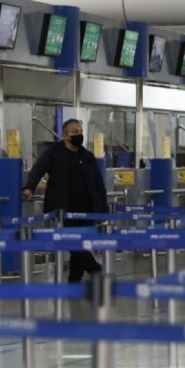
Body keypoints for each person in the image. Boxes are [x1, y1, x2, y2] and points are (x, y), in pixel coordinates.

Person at [22, 118, 108, 282]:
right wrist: (29, 187)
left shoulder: (88, 156)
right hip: (63, 210)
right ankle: (96, 271)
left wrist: (102, 210)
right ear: (65, 135)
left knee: (81, 244)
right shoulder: (54, 153)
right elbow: (38, 169)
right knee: (72, 242)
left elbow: (98, 185)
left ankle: (74, 279)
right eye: (75, 132)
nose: (79, 135)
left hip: (86, 210)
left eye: (80, 132)